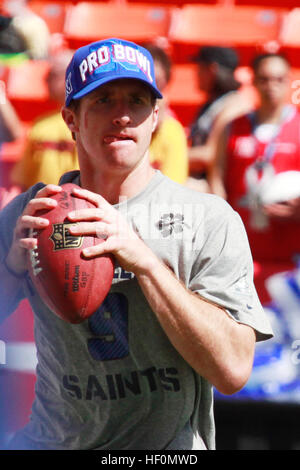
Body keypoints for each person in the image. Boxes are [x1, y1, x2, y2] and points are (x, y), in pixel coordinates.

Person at [0, 38, 272, 450]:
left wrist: (144, 261)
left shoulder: (208, 218)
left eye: (138, 101)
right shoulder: (33, 213)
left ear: (155, 117)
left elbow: (233, 370)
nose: (123, 116)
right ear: (71, 118)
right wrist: (11, 269)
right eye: (104, 100)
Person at [11, 49, 79, 190]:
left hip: (77, 202)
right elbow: (23, 180)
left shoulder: (87, 122)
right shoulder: (40, 124)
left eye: (52, 75)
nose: (45, 79)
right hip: (39, 204)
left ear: (70, 77)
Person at [187, 45, 251, 192]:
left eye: (199, 68)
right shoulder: (212, 103)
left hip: (218, 189)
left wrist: (169, 156)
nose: (196, 74)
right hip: (201, 183)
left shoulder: (235, 105)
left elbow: (210, 155)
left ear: (212, 70)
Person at [143, 43, 188, 185]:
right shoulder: (106, 124)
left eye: (157, 84)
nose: (151, 91)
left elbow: (172, 195)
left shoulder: (171, 130)